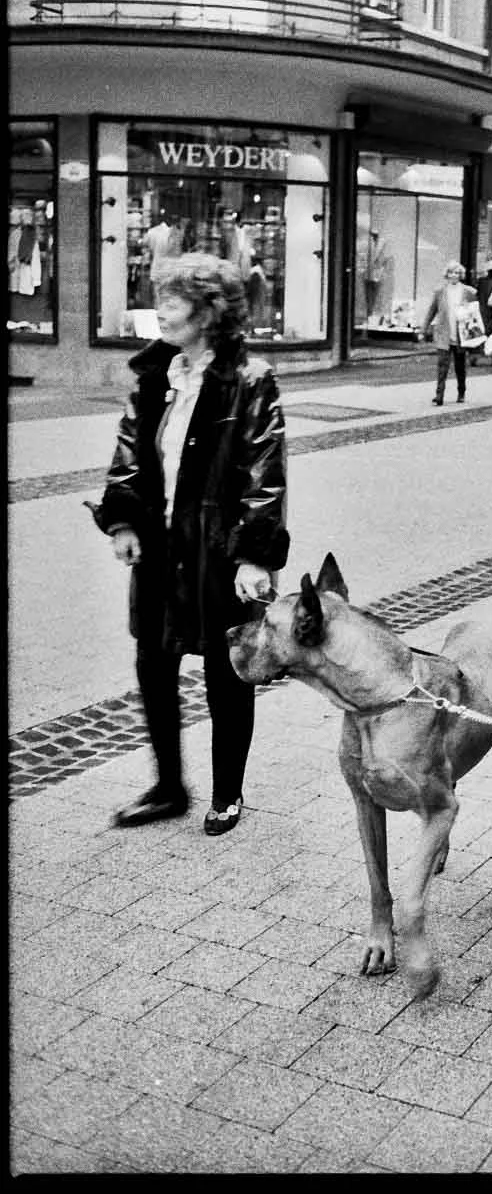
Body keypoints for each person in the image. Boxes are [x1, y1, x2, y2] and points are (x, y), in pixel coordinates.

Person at [86, 252, 289, 836]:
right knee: (154, 660)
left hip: (217, 551)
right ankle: (169, 786)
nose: (160, 311)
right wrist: (122, 520)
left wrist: (254, 554)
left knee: (227, 671)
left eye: (171, 301)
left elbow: (264, 469)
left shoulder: (249, 379)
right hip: (158, 546)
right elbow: (129, 453)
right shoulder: (155, 375)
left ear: (207, 312)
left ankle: (227, 792)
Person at [422, 260, 477, 405]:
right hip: (444, 334)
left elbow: (474, 312)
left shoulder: (468, 292)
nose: (454, 275)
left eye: (457, 273)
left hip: (460, 334)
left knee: (460, 366)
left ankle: (461, 392)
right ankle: (439, 396)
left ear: (461, 275)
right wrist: (423, 329)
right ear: (447, 274)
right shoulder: (440, 291)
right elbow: (431, 310)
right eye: (451, 272)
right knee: (442, 366)